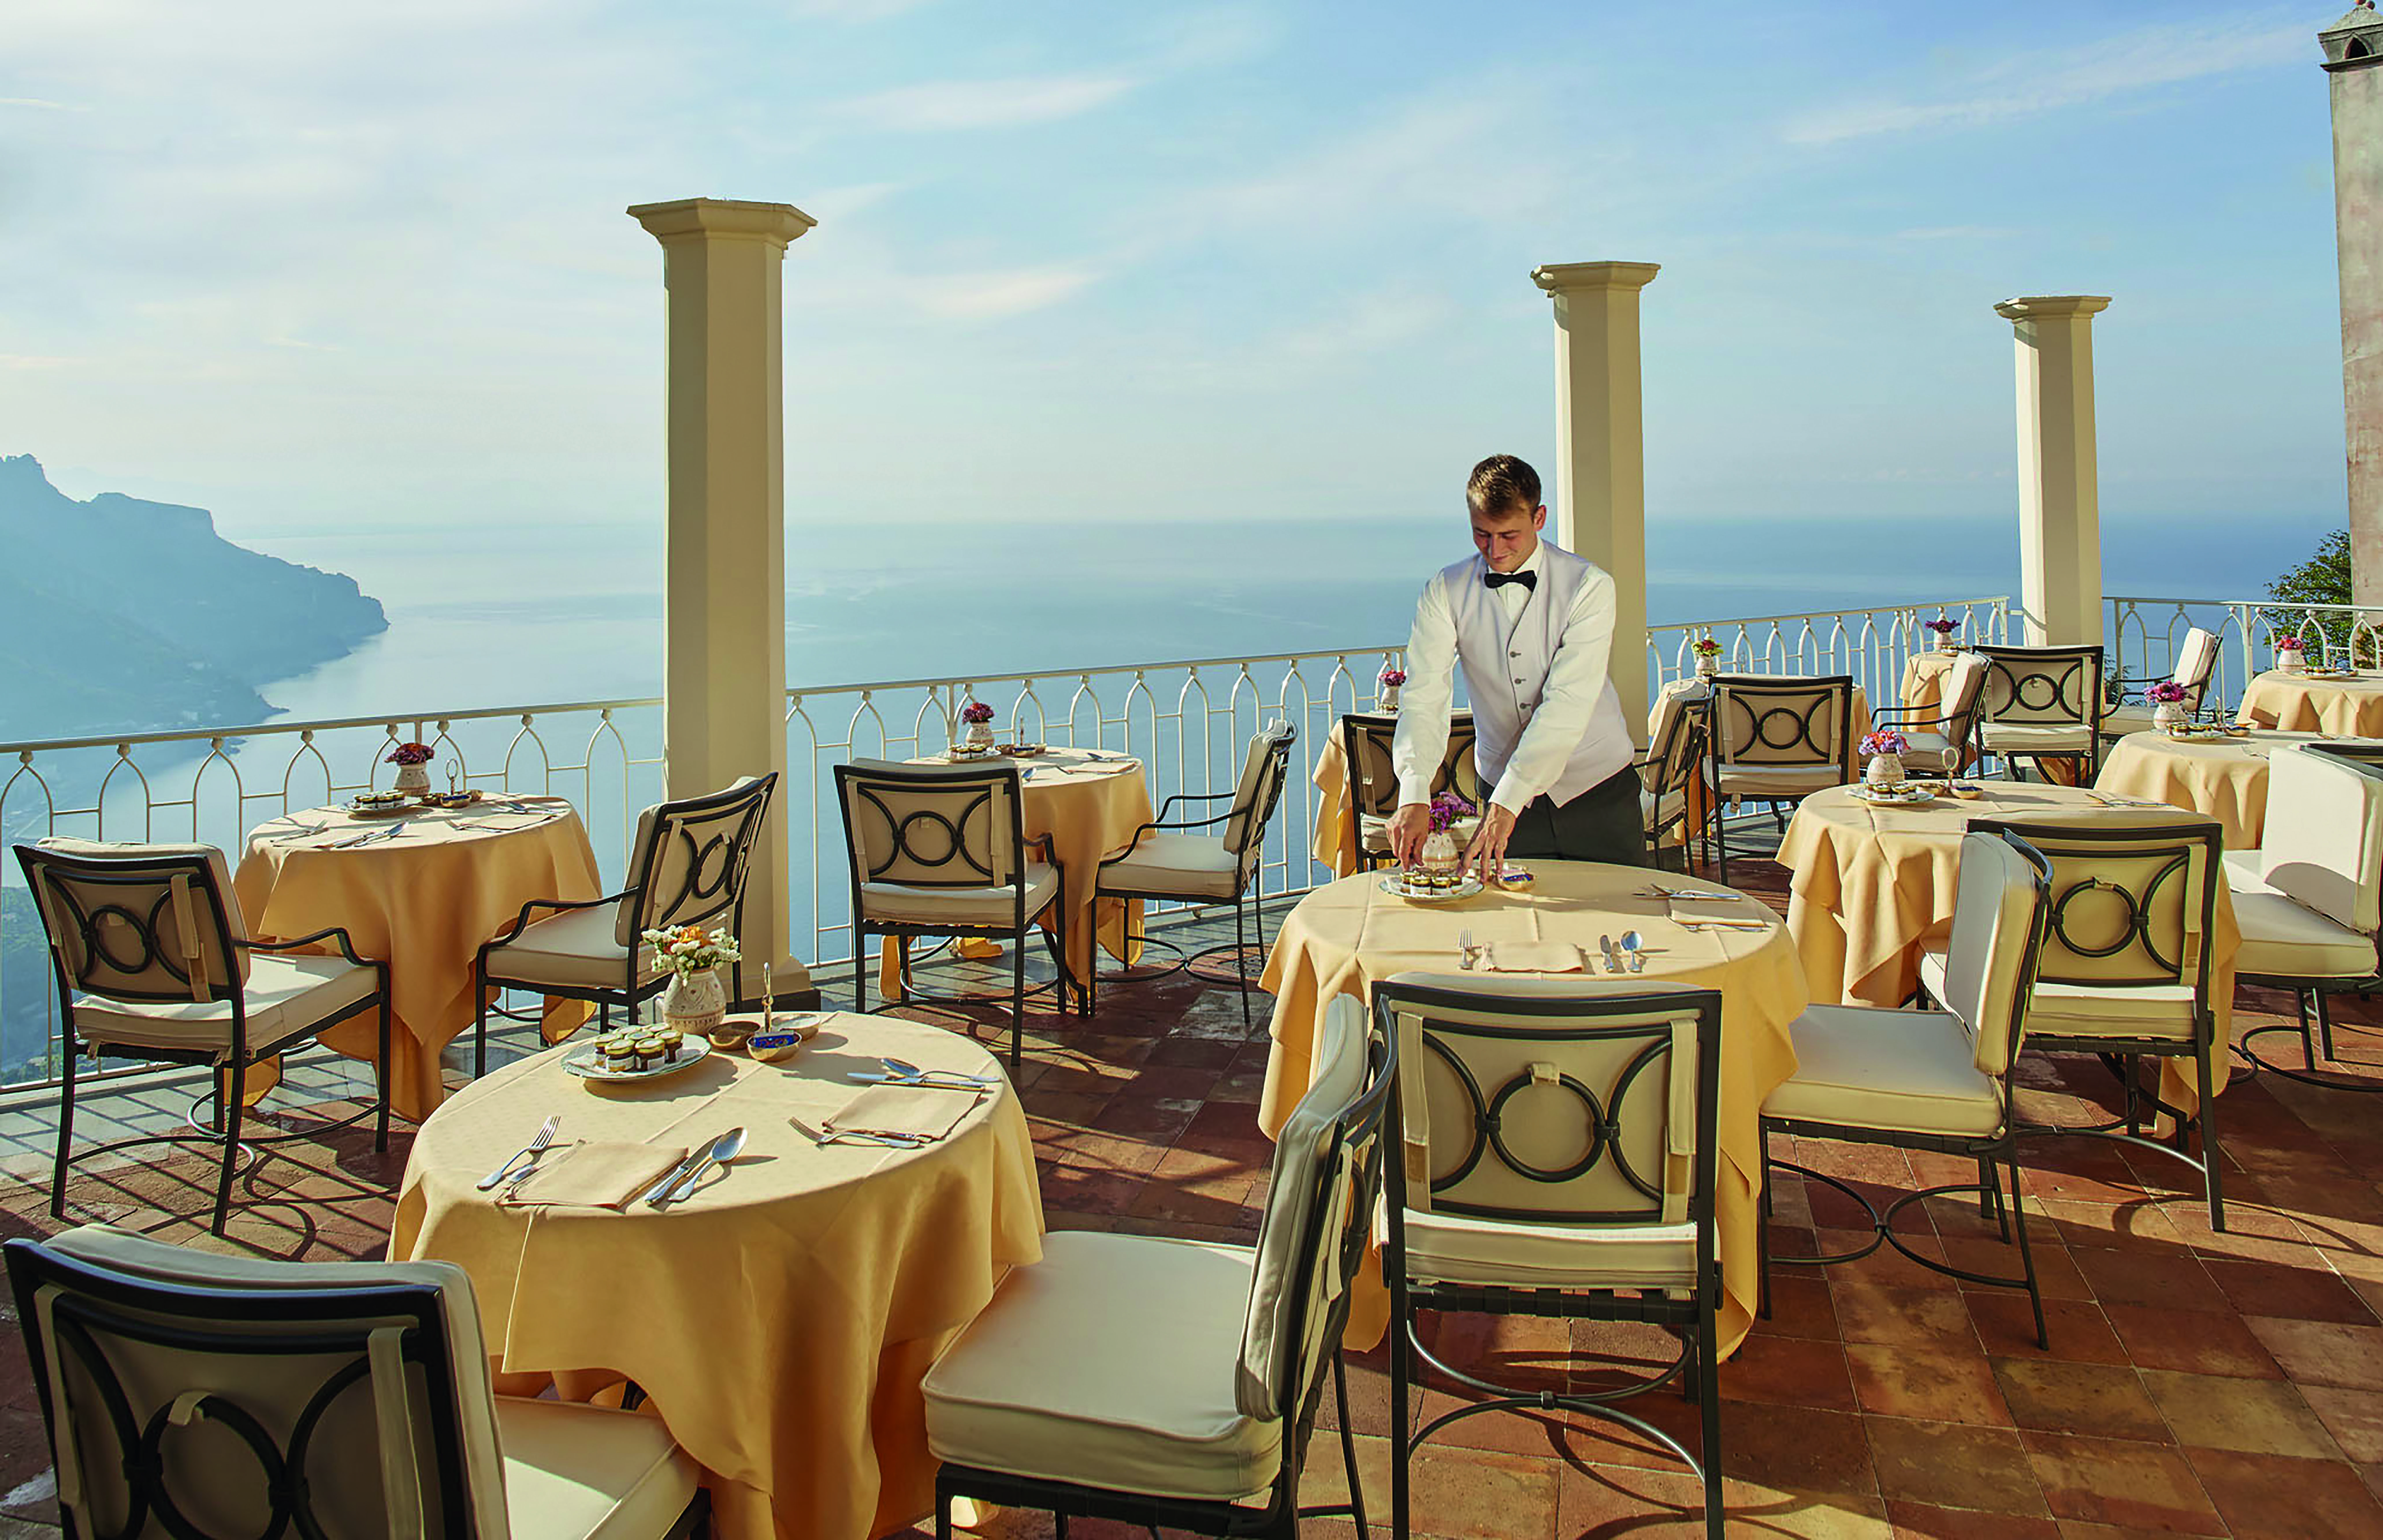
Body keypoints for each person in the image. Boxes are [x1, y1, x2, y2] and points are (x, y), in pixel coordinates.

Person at [1386, 454, 1643, 876]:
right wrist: (1414, 792)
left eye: (1509, 535)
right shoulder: (1445, 590)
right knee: (1511, 913)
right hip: (1499, 787)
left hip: (1598, 790)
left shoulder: (1590, 586)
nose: (1495, 550)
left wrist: (1509, 802)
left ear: (1539, 518)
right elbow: (1425, 695)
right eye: (1482, 534)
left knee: (1621, 908)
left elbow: (1568, 702)